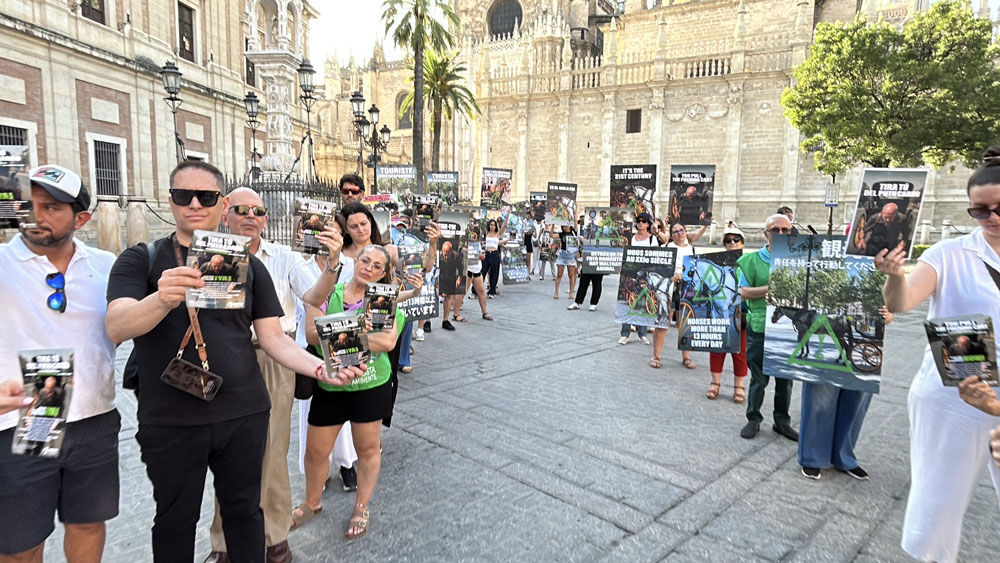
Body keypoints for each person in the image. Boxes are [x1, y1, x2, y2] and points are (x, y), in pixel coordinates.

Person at [105, 161, 362, 563]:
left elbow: (274, 338)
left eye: (204, 197)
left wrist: (321, 368)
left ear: (219, 204)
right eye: (181, 196)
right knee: (175, 519)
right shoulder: (142, 259)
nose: (193, 204)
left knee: (244, 513)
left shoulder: (250, 265)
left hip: (242, 412)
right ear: (169, 200)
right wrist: (163, 296)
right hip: (172, 419)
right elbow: (117, 326)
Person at [203, 187, 342, 563]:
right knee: (226, 453)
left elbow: (313, 297)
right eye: (242, 209)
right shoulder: (207, 252)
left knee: (273, 450)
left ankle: (274, 538)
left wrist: (331, 264)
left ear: (266, 218)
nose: (251, 216)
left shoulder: (283, 256)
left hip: (273, 357)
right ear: (226, 213)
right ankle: (223, 542)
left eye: (259, 211)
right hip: (222, 360)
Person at [875, 148, 1000, 563]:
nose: (993, 218)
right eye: (980, 212)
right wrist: (894, 277)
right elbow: (905, 300)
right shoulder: (949, 254)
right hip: (953, 396)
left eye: (999, 208)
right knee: (936, 509)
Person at [0, 164, 119, 562]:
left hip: (93, 419)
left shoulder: (106, 265)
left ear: (81, 218)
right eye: (29, 205)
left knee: (87, 524)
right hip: (26, 421)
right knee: (22, 541)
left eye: (50, 207)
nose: (36, 215)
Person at [295, 245, 412, 539]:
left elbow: (387, 342)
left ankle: (362, 505)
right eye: (365, 261)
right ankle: (312, 501)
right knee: (316, 451)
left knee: (368, 449)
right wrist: (361, 332)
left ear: (384, 273)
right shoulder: (328, 292)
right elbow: (310, 333)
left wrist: (336, 334)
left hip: (371, 384)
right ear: (355, 260)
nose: (368, 268)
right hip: (330, 385)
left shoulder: (384, 300)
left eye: (376, 266)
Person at [798, 306, 894, 481]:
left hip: (864, 335)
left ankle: (843, 456)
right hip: (825, 318)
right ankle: (813, 457)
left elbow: (896, 299)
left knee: (857, 397)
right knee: (820, 395)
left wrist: (888, 314)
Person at [737, 213, 798, 442]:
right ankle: (753, 418)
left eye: (785, 230)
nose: (781, 234)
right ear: (766, 234)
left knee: (785, 379)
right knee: (758, 378)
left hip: (788, 328)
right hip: (760, 327)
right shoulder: (750, 261)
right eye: (775, 230)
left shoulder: (799, 259)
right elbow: (742, 292)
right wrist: (770, 289)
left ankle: (782, 422)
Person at [652, 221, 707, 370]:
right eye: (675, 231)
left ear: (685, 231)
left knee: (686, 323)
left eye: (681, 230)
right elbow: (657, 269)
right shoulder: (665, 248)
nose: (679, 233)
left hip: (687, 288)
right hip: (669, 288)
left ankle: (686, 357)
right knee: (663, 322)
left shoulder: (692, 249)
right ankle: (656, 356)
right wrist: (672, 276)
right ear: (671, 235)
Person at [706, 226, 748, 402]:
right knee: (717, 348)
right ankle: (715, 383)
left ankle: (739, 386)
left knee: (740, 351)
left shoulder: (748, 261)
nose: (732, 243)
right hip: (719, 309)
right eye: (728, 240)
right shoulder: (717, 261)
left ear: (742, 242)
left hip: (741, 311)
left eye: (736, 239)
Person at [620, 213, 657, 347]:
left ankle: (643, 334)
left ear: (648, 224)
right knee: (628, 299)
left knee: (644, 301)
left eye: (643, 221)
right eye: (638, 221)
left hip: (646, 271)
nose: (640, 223)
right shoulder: (630, 238)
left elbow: (656, 256)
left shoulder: (653, 239)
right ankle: (625, 334)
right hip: (631, 269)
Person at [437, 239, 466, 330]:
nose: (445, 255)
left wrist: (459, 278)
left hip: (450, 278)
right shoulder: (438, 255)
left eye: (447, 252)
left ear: (451, 251)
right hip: (440, 278)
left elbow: (460, 268)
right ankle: (427, 321)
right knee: (433, 297)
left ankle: (445, 320)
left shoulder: (456, 256)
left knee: (449, 298)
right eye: (444, 252)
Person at [553, 225, 581, 300]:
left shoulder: (573, 233)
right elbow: (551, 235)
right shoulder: (561, 234)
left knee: (571, 274)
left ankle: (571, 293)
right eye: (564, 226)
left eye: (567, 226)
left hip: (571, 255)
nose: (565, 227)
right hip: (562, 254)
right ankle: (556, 292)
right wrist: (552, 224)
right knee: (559, 274)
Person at [482, 218, 507, 297]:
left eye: (494, 225)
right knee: (482, 272)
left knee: (494, 273)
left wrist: (508, 216)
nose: (492, 227)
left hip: (495, 253)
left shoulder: (498, 234)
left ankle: (492, 291)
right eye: (491, 225)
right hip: (486, 254)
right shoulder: (486, 233)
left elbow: (504, 226)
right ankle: (475, 290)